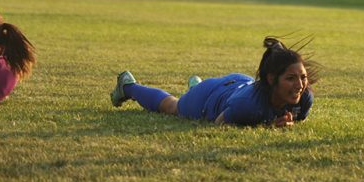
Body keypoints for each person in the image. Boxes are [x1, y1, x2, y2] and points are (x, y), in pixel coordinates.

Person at [110, 37, 317, 128]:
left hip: (237, 84)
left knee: (198, 94)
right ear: (272, 79)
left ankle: (196, 87)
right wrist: (267, 126)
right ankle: (128, 86)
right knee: (172, 107)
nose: (299, 84)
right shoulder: (247, 105)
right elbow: (219, 123)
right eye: (291, 78)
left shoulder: (304, 97)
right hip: (211, 98)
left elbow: (296, 120)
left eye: (303, 77)